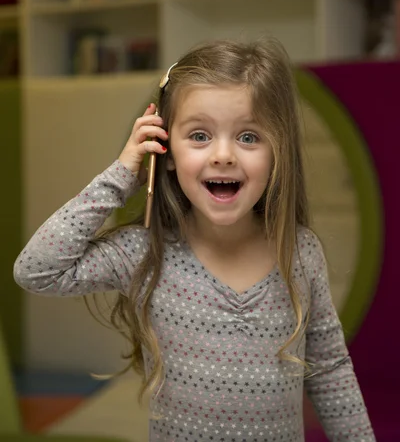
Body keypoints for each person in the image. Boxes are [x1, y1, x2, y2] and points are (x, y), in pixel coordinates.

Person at [14, 38, 375, 441]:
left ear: (278, 154)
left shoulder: (301, 251)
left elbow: (330, 371)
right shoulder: (144, 254)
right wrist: (122, 175)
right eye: (200, 136)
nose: (223, 155)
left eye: (249, 137)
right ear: (165, 151)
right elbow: (36, 271)